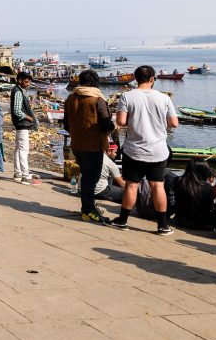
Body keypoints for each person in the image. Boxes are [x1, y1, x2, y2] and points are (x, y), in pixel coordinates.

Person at [111, 65, 179, 235]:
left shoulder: (127, 96)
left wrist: (136, 121)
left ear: (135, 78)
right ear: (152, 79)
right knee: (158, 186)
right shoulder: (164, 98)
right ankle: (162, 225)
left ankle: (123, 220)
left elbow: (120, 121)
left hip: (134, 149)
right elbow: (174, 123)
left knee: (132, 185)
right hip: (158, 150)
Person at [63, 69, 115, 224]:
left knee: (86, 177)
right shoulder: (97, 99)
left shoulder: (71, 98)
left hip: (77, 145)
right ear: (95, 82)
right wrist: (114, 126)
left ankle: (88, 207)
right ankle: (88, 211)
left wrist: (78, 132)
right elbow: (106, 124)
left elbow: (66, 124)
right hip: (93, 146)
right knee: (91, 179)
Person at [173, 159, 216, 230]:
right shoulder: (207, 186)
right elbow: (210, 205)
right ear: (203, 170)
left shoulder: (178, 180)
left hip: (181, 219)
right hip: (201, 222)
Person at [10, 71, 38, 184]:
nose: (28, 84)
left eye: (29, 82)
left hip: (20, 125)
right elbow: (17, 110)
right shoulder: (17, 92)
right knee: (23, 150)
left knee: (18, 149)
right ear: (20, 80)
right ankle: (25, 176)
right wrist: (29, 118)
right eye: (26, 82)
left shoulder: (18, 91)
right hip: (22, 124)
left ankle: (18, 173)